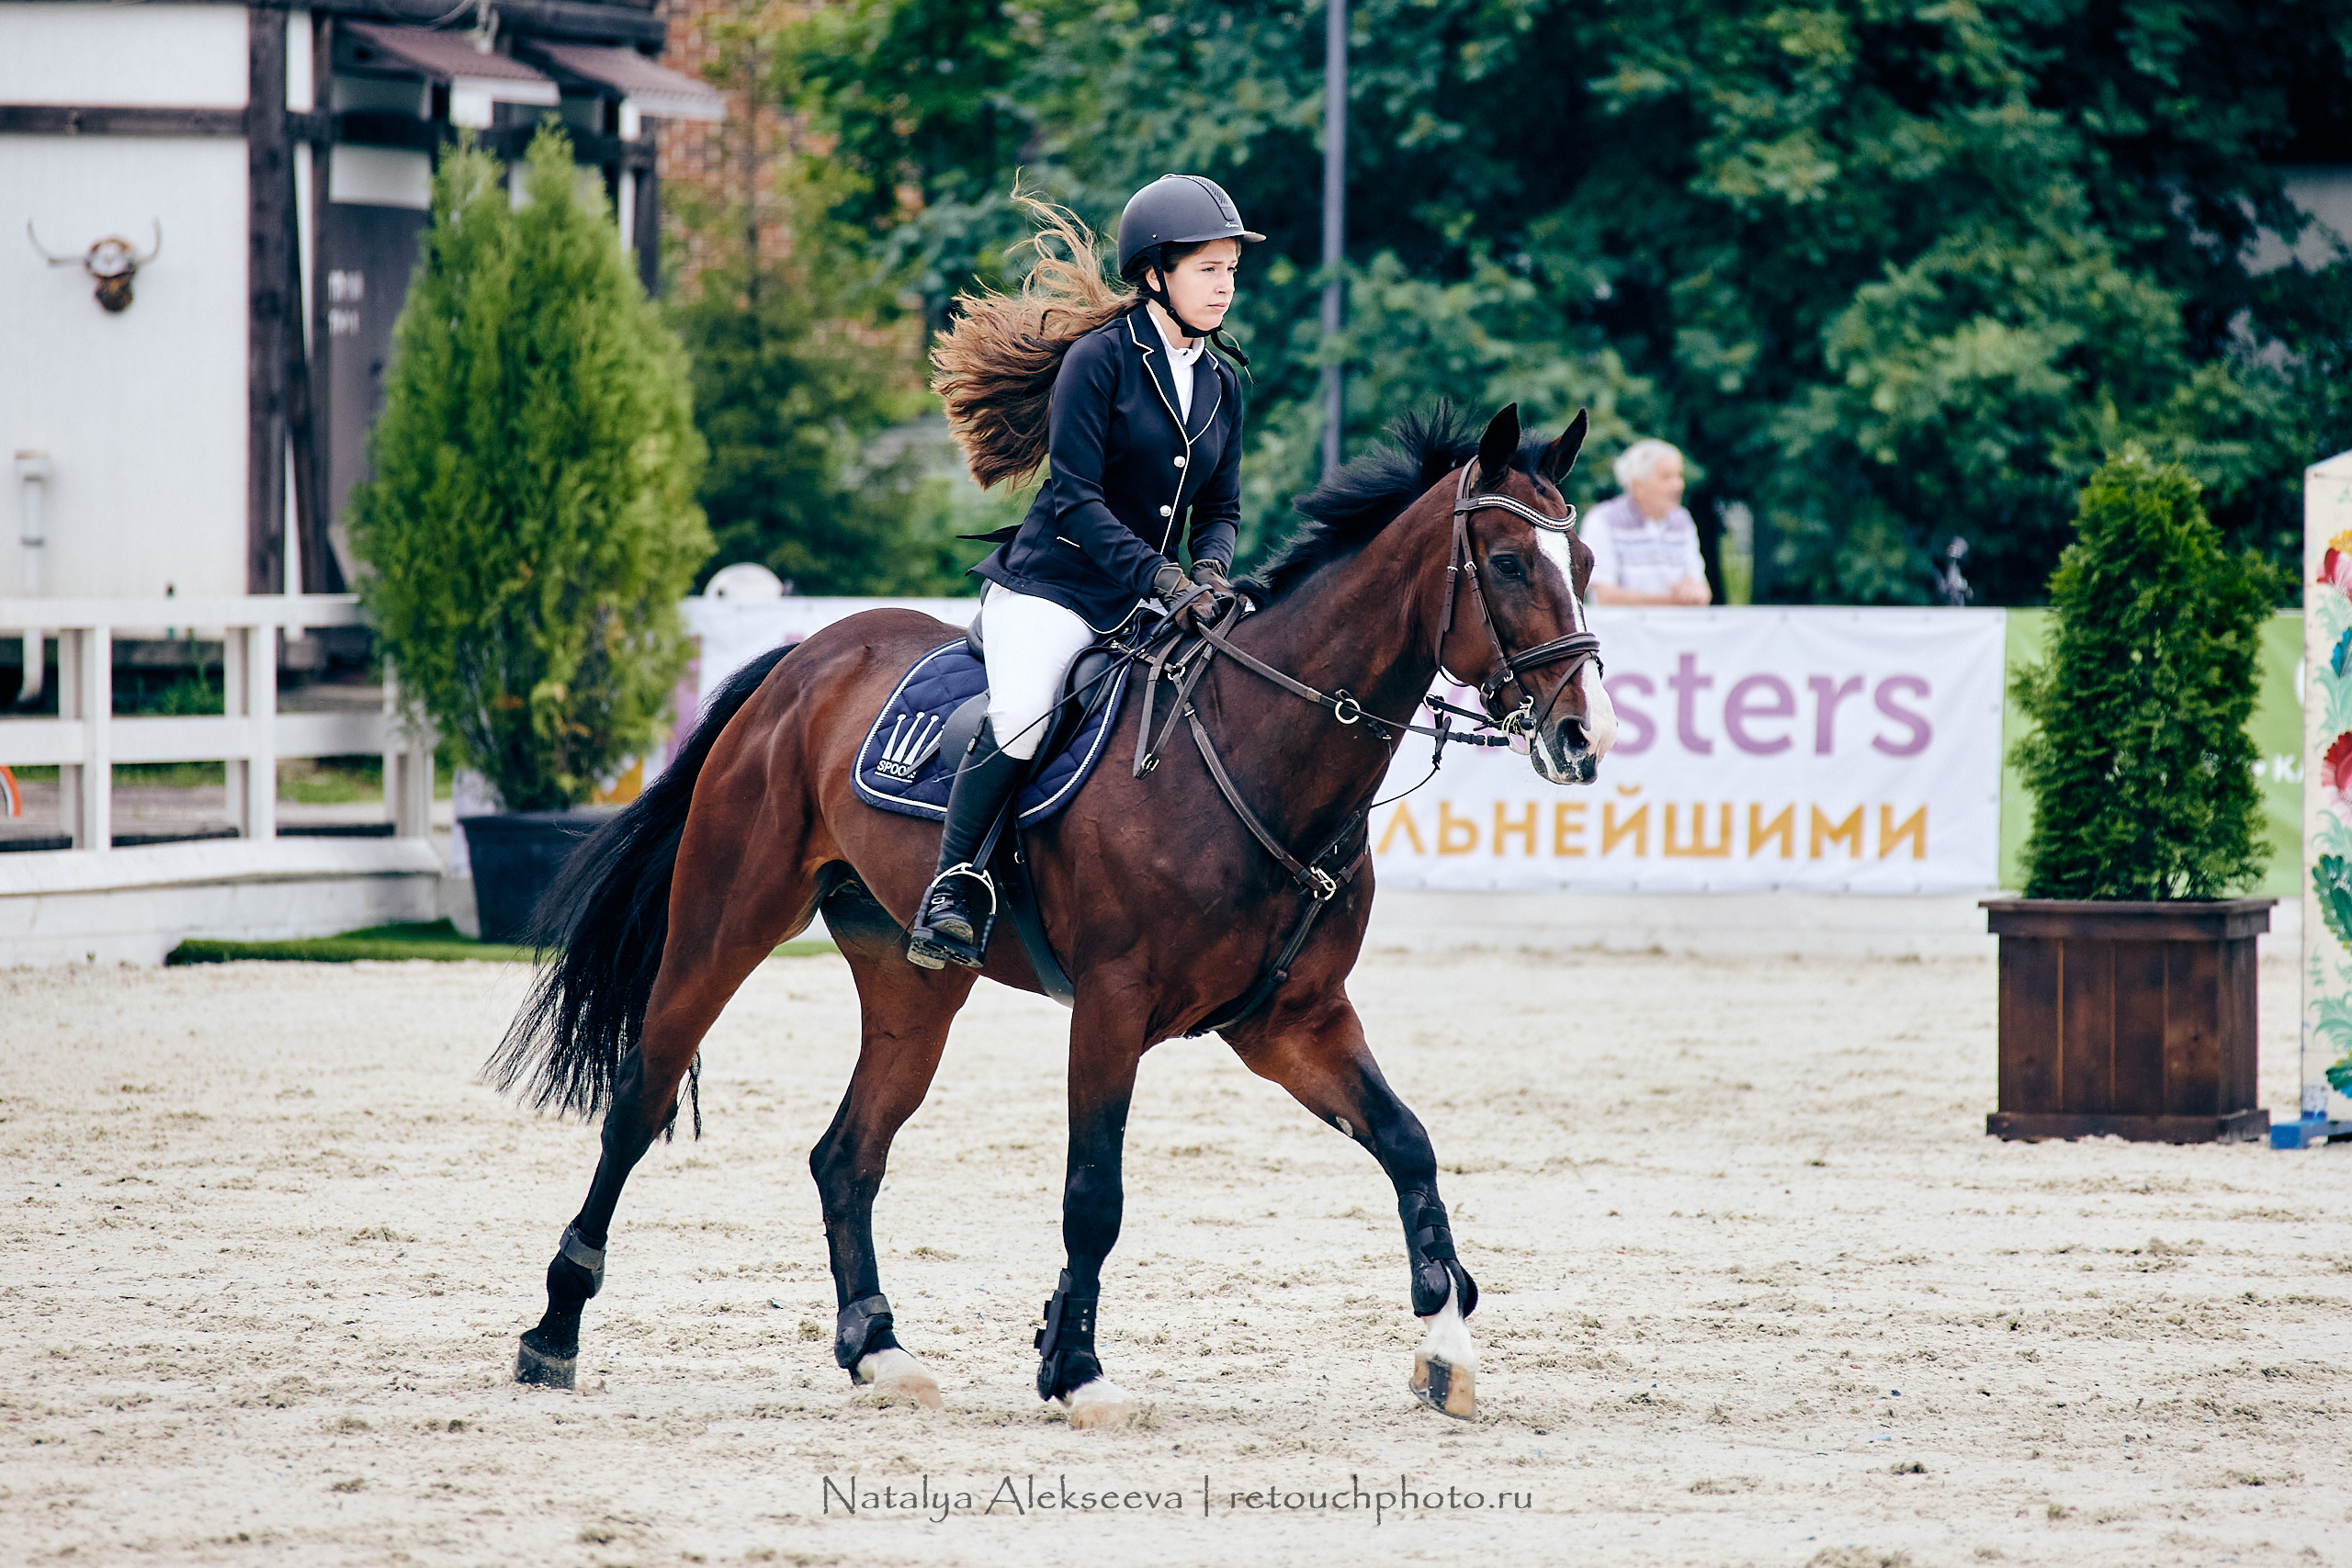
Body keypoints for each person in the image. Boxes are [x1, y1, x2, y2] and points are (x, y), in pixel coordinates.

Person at [908, 175, 1263, 970]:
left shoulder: (1222, 382)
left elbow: (1225, 508)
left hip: (1145, 601)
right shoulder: (1100, 361)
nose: (1225, 286)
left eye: (1231, 270)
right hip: (1053, 588)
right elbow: (1072, 496)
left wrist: (1207, 572)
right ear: (1155, 275)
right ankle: (954, 887)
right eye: (1208, 269)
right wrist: (1166, 581)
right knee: (1028, 711)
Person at [1581, 438, 1711, 606]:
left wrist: (1695, 595)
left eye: (1678, 476)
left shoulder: (1682, 520)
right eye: (1666, 477)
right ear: (1637, 486)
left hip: (1677, 630)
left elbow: (1703, 589)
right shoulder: (1602, 520)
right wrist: (1672, 601)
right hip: (1621, 631)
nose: (1678, 485)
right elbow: (1604, 596)